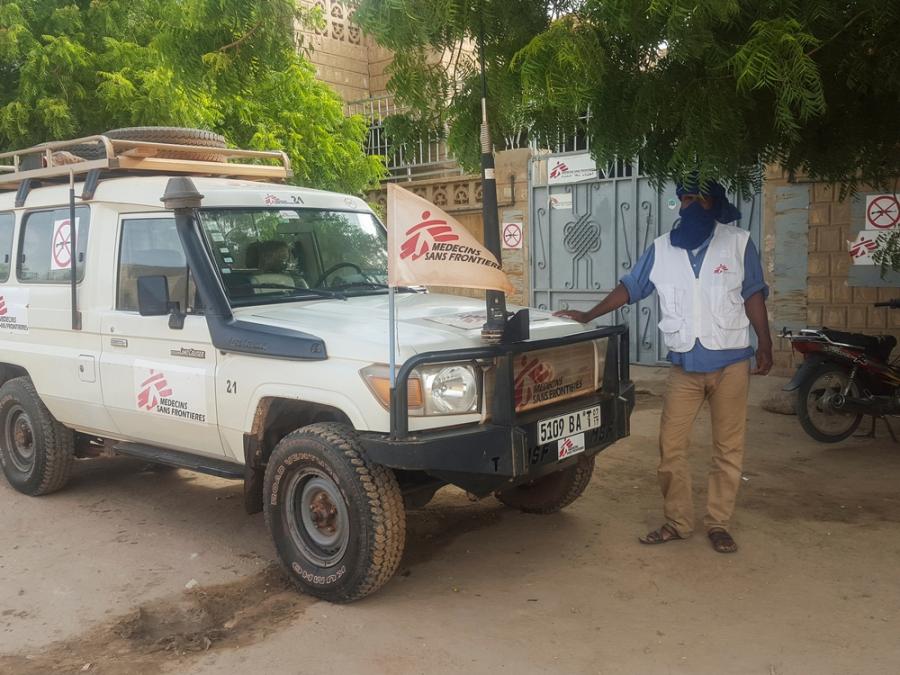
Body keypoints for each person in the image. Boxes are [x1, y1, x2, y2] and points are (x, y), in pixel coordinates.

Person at [555, 178, 772, 554]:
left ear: (712, 204)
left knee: (728, 449)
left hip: (732, 363)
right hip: (685, 368)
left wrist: (765, 343)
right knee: (670, 447)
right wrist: (589, 315)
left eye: (695, 199)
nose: (687, 206)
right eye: (683, 199)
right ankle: (678, 521)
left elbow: (753, 294)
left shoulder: (738, 243)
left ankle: (718, 523)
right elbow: (631, 287)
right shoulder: (661, 249)